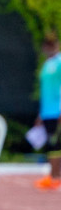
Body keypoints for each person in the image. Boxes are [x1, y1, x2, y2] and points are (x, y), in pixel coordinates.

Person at [34, 35, 61, 190]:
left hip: (57, 111)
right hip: (47, 112)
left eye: (51, 45)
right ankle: (53, 176)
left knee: (57, 144)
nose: (47, 49)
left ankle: (55, 176)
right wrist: (40, 114)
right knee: (52, 145)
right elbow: (46, 92)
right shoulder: (46, 65)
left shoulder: (59, 63)